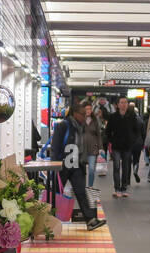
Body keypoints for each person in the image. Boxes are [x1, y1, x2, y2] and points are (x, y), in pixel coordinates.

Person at [48, 98, 106, 231]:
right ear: (74, 113)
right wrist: (54, 166)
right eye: (82, 114)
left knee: (81, 192)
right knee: (55, 193)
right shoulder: (63, 125)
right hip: (62, 166)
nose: (84, 116)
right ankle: (48, 220)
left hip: (75, 165)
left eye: (85, 114)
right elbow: (55, 146)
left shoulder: (81, 127)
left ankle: (91, 220)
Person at [105, 96, 142, 198]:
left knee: (126, 167)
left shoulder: (132, 116)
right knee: (116, 167)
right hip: (116, 145)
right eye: (121, 102)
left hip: (127, 146)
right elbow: (108, 131)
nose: (124, 104)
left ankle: (124, 188)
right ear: (118, 104)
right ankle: (117, 188)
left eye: (125, 102)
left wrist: (132, 140)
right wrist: (111, 140)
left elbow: (136, 130)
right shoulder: (113, 117)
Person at [81, 101, 104, 196]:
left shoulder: (95, 120)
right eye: (86, 109)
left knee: (91, 169)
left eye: (90, 109)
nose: (88, 111)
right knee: (81, 170)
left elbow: (99, 135)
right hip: (81, 149)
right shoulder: (80, 119)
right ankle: (81, 187)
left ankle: (90, 186)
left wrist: (100, 148)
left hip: (93, 148)